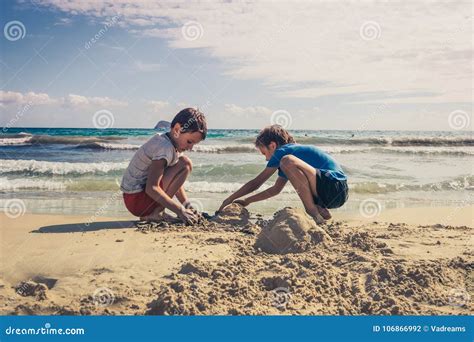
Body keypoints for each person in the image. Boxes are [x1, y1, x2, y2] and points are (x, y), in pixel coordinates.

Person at [218, 125, 348, 224]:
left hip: (334, 185)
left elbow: (257, 182)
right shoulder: (291, 160)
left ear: (273, 145)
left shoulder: (282, 153)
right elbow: (275, 190)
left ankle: (313, 211)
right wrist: (247, 200)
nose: (266, 159)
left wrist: (229, 199)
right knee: (287, 162)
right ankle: (320, 209)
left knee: (288, 160)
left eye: (264, 153)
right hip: (337, 194)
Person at [121, 108, 207, 224]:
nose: (190, 148)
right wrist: (180, 211)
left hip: (135, 199)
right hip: (137, 200)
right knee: (185, 163)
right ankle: (157, 213)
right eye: (189, 142)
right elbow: (152, 188)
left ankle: (156, 212)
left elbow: (175, 182)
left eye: (194, 144)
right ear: (177, 129)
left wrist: (187, 206)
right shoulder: (164, 148)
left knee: (183, 163)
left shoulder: (169, 143)